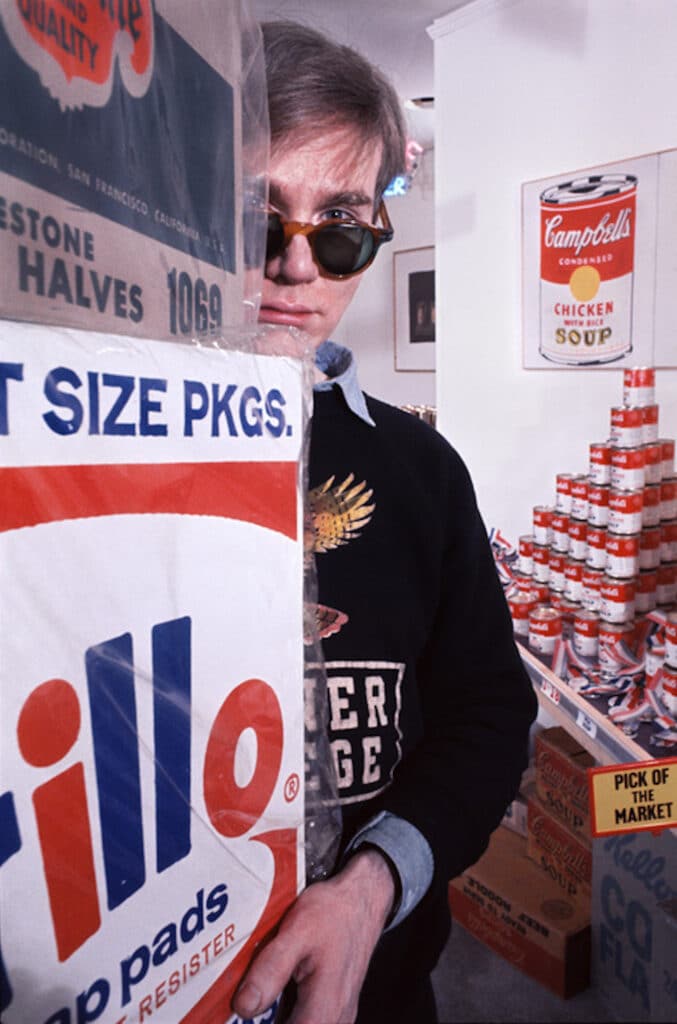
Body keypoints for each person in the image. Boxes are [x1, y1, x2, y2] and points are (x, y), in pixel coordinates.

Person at [233, 19, 537, 1024]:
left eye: (341, 228)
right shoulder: (69, 459)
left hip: (381, 986)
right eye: (253, 216)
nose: (293, 265)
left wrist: (370, 890)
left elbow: (488, 715)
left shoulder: (421, 471)